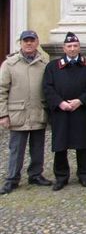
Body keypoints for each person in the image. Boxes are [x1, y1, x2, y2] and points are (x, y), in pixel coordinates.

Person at [43, 32, 86, 190]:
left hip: (80, 110)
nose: (73, 49)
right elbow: (47, 88)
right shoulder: (53, 66)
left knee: (83, 144)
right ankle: (61, 176)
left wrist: (80, 100)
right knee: (60, 145)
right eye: (69, 46)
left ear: (79, 47)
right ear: (64, 48)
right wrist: (60, 103)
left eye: (75, 46)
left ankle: (84, 175)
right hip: (61, 111)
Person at [0, 30, 52, 194]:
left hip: (37, 111)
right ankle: (12, 178)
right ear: (20, 43)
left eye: (32, 40)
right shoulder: (9, 64)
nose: (29, 43)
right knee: (16, 149)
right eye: (25, 41)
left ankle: (36, 174)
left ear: (37, 42)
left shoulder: (44, 63)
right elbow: (2, 90)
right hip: (18, 113)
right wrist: (3, 114)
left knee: (38, 147)